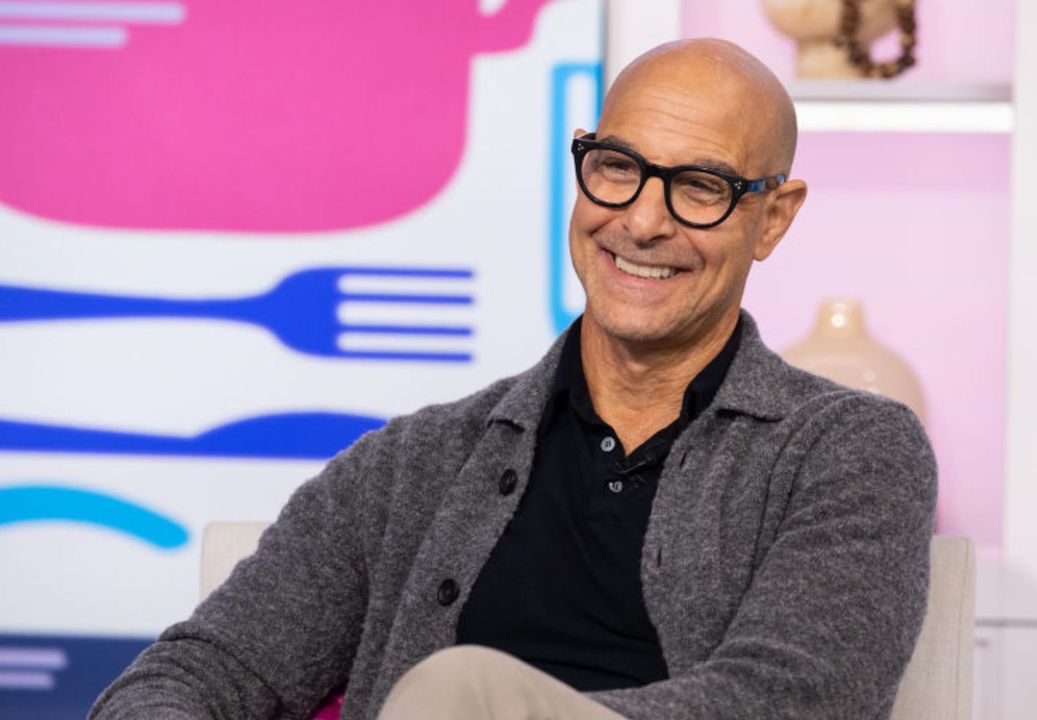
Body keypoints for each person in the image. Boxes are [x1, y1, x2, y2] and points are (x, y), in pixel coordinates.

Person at [91, 38, 936, 720]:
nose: (642, 220)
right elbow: (198, 672)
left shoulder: (850, 449)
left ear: (772, 219)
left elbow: (797, 699)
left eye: (701, 187)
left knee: (456, 693)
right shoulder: (410, 465)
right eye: (617, 167)